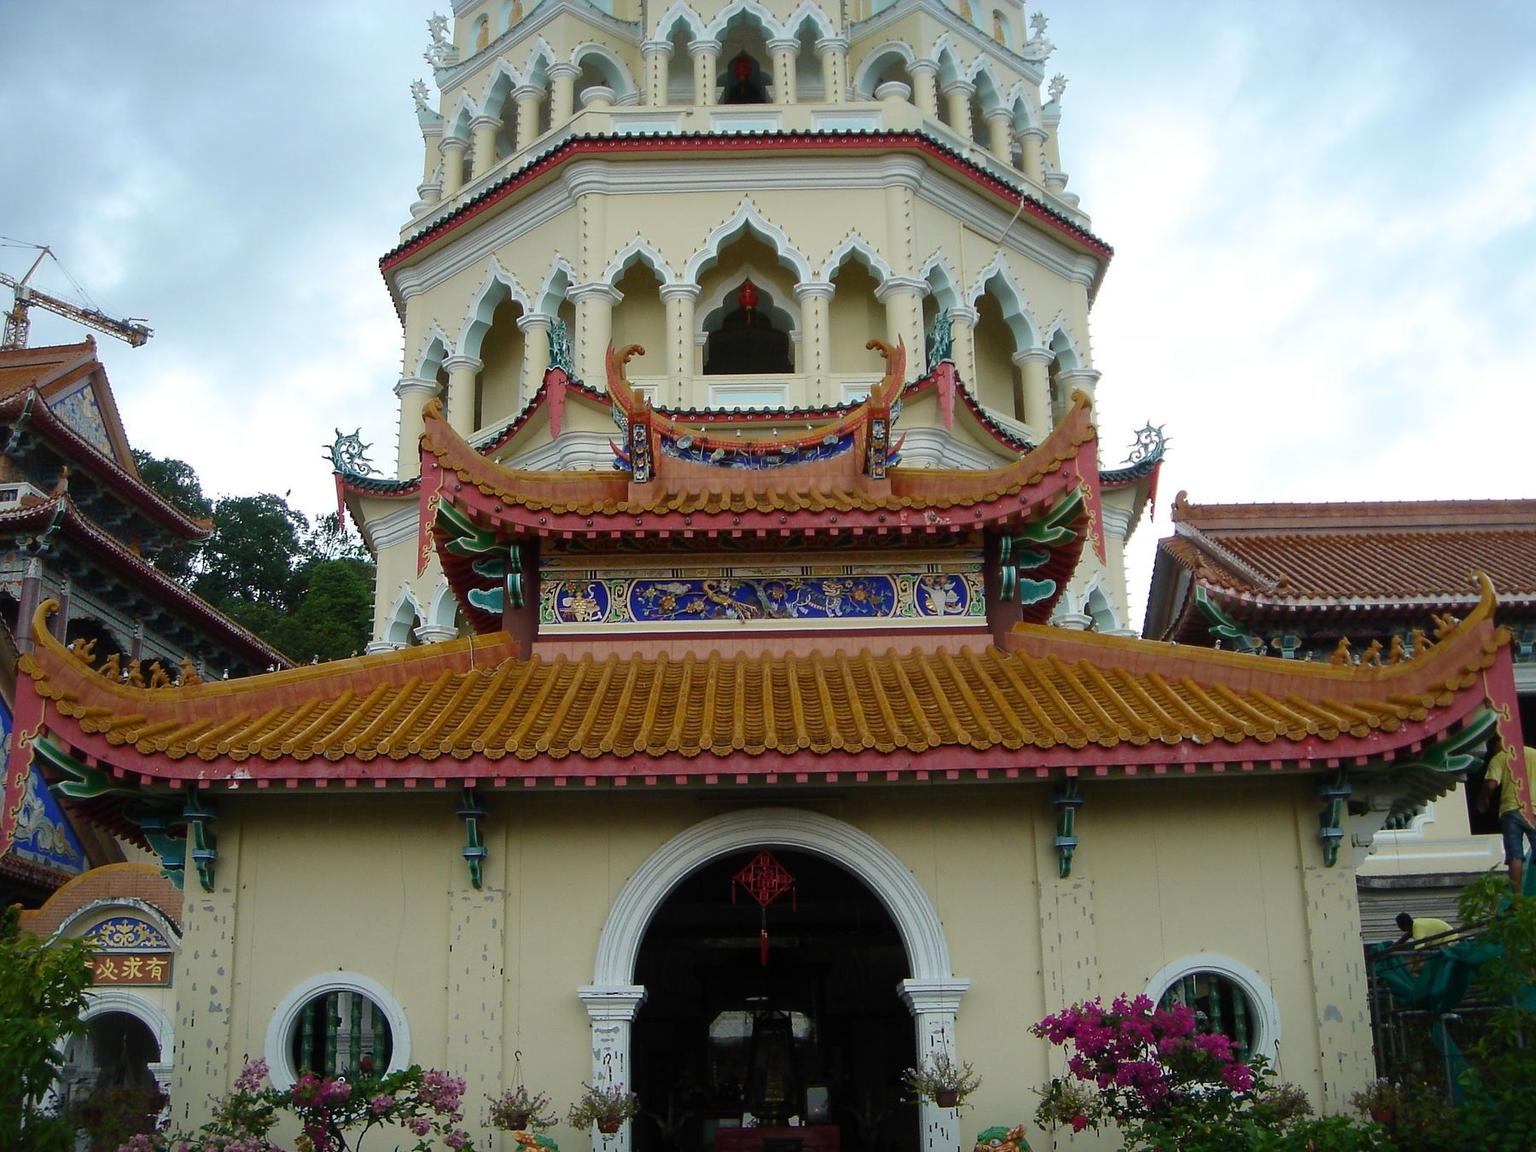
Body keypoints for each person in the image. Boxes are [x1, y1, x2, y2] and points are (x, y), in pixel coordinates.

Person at [1481, 740, 1536, 894]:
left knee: (1515, 856)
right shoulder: (1533, 753)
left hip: (1511, 810)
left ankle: (1517, 900)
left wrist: (1483, 798)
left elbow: (1491, 784)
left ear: (1498, 743)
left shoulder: (1500, 757)